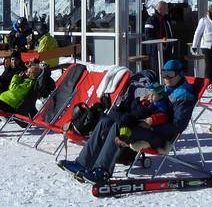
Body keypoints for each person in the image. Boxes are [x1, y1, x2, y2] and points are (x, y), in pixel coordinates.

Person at [58, 60, 196, 184]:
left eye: (170, 74)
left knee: (119, 127)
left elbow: (178, 125)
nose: (166, 78)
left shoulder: (184, 95)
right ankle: (82, 163)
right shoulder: (165, 89)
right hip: (145, 126)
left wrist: (150, 123)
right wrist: (142, 104)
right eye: (164, 73)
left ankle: (102, 171)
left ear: (179, 74)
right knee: (106, 121)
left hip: (159, 135)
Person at [144, 0, 174, 69]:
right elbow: (148, 36)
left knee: (167, 69)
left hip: (166, 50)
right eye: (166, 8)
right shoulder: (151, 20)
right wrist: (159, 42)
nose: (167, 10)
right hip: (154, 51)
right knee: (157, 69)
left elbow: (169, 33)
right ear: (160, 9)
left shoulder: (166, 20)